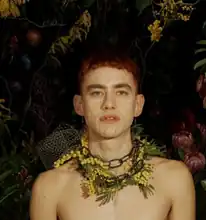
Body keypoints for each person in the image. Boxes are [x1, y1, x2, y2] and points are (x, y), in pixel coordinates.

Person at [30, 48, 196, 220]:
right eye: (97, 93)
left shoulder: (174, 179)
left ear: (138, 104)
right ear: (79, 105)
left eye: (121, 92)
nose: (109, 104)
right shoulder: (50, 187)